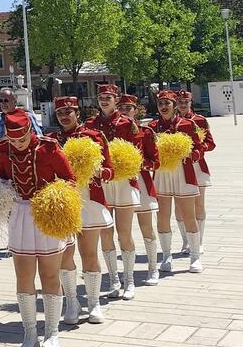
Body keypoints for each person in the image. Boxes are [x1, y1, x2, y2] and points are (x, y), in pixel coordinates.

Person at [0, 109, 76, 347]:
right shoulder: (1, 149)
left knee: (50, 274)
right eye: (13, 140)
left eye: (22, 139)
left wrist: (53, 199)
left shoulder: (49, 148)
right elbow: (1, 179)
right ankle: (30, 333)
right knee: (23, 275)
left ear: (31, 130)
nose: (18, 145)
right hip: (20, 214)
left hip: (48, 212)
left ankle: (52, 333)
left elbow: (69, 180)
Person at [49, 97, 112, 325]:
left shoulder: (94, 137)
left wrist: (95, 170)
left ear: (78, 113)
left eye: (69, 112)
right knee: (65, 255)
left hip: (89, 199)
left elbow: (110, 171)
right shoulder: (51, 140)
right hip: (64, 202)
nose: (64, 116)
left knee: (89, 253)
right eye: (60, 113)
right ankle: (72, 302)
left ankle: (94, 302)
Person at [86, 84, 140, 300]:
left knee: (124, 232)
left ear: (116, 99)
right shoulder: (90, 125)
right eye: (101, 97)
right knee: (105, 232)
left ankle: (130, 281)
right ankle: (114, 280)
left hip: (124, 182)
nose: (104, 100)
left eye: (108, 97)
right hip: (102, 183)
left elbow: (137, 153)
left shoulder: (128, 124)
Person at [148, 90, 204, 273]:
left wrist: (187, 153)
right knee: (162, 216)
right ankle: (166, 256)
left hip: (184, 173)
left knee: (189, 214)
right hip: (162, 174)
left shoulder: (188, 124)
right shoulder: (152, 126)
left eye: (167, 103)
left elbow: (200, 149)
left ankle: (195, 257)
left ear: (174, 105)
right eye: (160, 104)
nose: (163, 107)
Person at [119, 95, 161, 286]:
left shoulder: (145, 132)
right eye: (122, 107)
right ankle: (125, 275)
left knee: (146, 227)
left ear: (136, 110)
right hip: (120, 185)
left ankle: (153, 268)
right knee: (123, 232)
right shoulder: (113, 132)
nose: (125, 111)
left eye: (129, 108)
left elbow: (156, 162)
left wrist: (138, 163)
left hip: (141, 183)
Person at [175, 89, 214, 254]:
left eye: (186, 101)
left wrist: (196, 150)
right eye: (180, 102)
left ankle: (199, 241)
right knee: (179, 206)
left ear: (191, 103)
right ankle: (186, 241)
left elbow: (211, 143)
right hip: (177, 167)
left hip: (197, 166)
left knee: (199, 204)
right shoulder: (170, 121)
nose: (183, 104)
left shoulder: (200, 120)